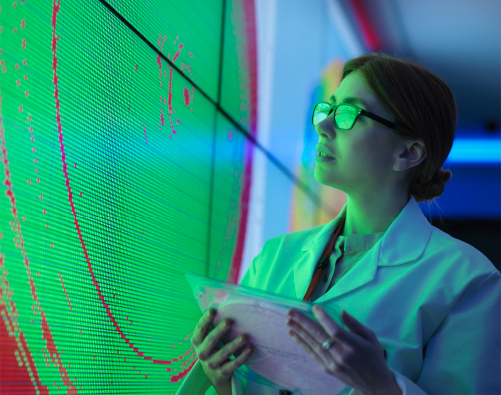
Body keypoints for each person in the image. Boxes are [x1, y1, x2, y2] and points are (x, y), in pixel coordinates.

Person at [176, 52, 500, 395]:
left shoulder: (468, 280)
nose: (323, 125)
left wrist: (381, 385)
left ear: (408, 153)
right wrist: (221, 379)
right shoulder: (275, 257)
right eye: (328, 109)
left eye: (348, 114)